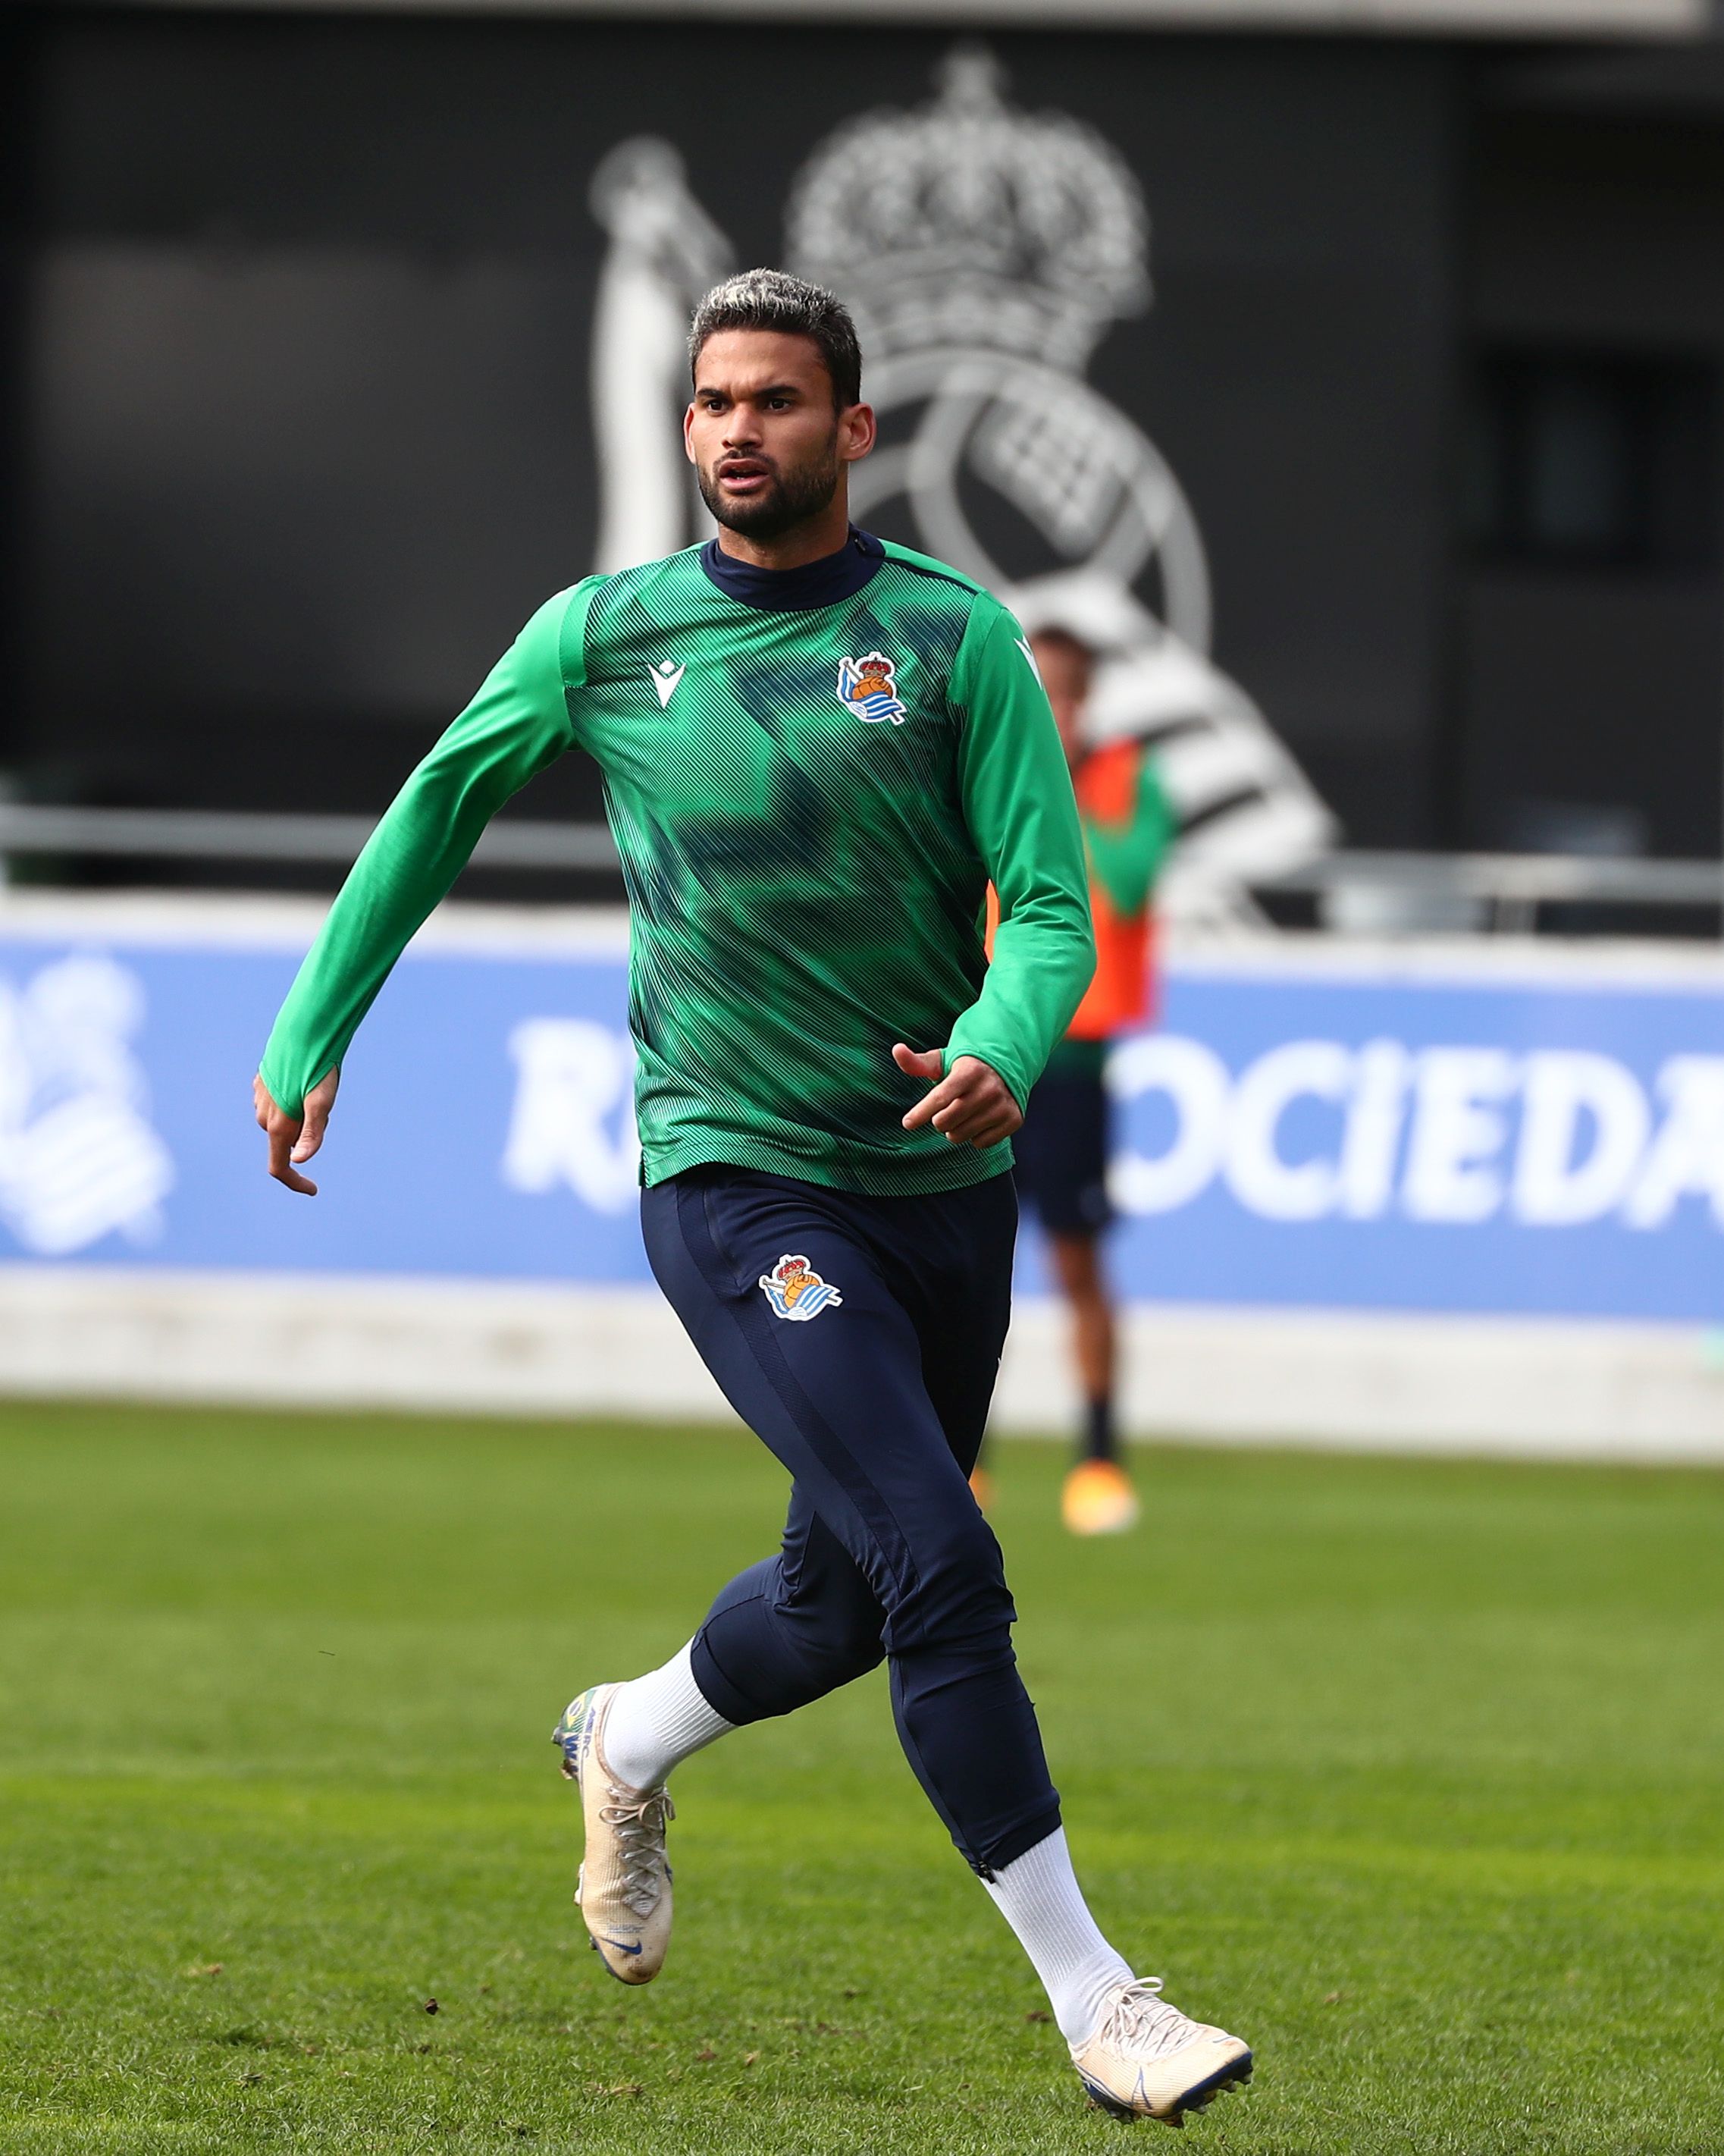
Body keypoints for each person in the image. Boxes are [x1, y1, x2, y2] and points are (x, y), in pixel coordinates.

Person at [252, 269, 1250, 2126]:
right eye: (712, 400)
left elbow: (1047, 907)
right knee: (943, 1558)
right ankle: (1098, 2000)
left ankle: (620, 1738)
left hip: (940, 1178)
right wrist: (317, 1022)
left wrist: (1003, 1040)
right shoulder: (603, 635)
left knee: (847, 1597)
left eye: (776, 402)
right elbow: (436, 807)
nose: (734, 431)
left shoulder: (951, 642)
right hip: (733, 1175)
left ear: (850, 430)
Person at [988, 618, 1174, 1538]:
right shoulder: (987, 760)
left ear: (1087, 696)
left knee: (1075, 1258)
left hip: (1076, 1055)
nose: (1050, 709)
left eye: (1065, 692)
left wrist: (1056, 788)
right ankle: (963, 1460)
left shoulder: (1128, 778)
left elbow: (1134, 880)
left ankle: (1098, 1456)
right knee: (964, 1261)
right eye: (1039, 690)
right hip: (987, 1042)